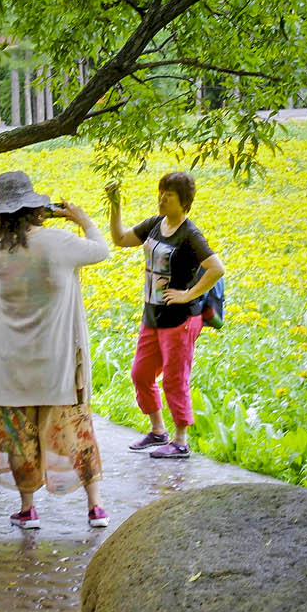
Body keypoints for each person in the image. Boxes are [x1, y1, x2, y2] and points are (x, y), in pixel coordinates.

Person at [0, 171, 110, 529]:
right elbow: (101, 250)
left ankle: (28, 509)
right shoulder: (59, 242)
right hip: (56, 358)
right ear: (36, 208)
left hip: (8, 360)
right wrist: (82, 219)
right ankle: (95, 506)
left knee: (20, 436)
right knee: (76, 429)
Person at [106, 172, 226, 460]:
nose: (161, 199)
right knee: (141, 374)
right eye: (161, 193)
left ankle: (181, 441)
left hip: (181, 320)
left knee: (174, 379)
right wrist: (115, 205)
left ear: (183, 202)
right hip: (153, 315)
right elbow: (120, 239)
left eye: (168, 195)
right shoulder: (154, 224)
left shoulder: (190, 234)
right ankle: (158, 431)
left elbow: (216, 268)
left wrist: (188, 294)